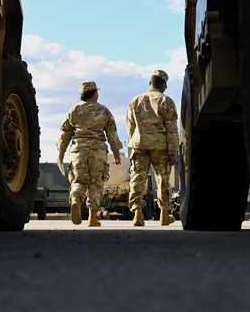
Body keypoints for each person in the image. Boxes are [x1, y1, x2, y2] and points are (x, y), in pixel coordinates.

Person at [57, 80, 123, 227]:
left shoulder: (73, 110)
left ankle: (75, 199)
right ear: (94, 94)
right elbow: (112, 134)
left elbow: (64, 134)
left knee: (78, 181)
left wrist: (61, 153)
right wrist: (116, 153)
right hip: (97, 151)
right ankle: (93, 218)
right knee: (96, 183)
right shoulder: (104, 111)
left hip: (78, 150)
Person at [126, 69, 179, 226]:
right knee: (162, 179)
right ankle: (164, 214)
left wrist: (134, 141)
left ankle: (137, 214)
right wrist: (173, 151)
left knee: (137, 178)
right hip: (160, 146)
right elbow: (171, 129)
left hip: (139, 144)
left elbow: (130, 126)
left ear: (150, 83)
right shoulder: (166, 101)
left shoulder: (135, 101)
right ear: (162, 84)